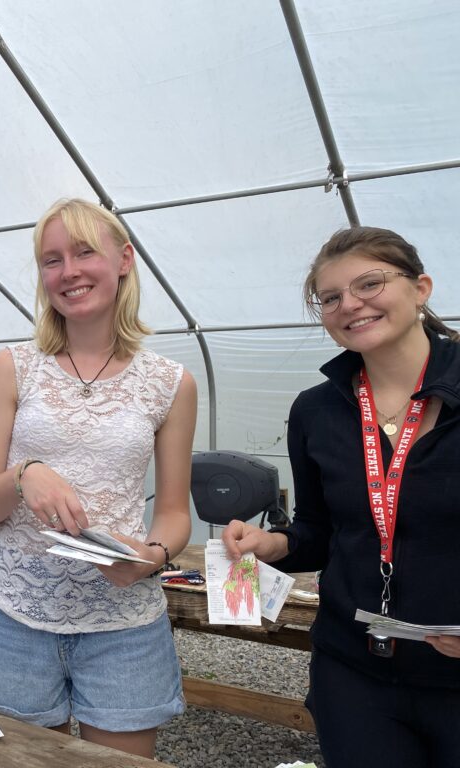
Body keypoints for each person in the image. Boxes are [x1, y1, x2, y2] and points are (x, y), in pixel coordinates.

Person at [0, 199, 197, 758]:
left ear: (123, 260)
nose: (68, 271)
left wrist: (154, 555)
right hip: (19, 613)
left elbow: (174, 513)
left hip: (124, 623)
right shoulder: (12, 367)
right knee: (17, 760)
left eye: (84, 252)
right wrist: (24, 474)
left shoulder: (170, 382)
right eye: (51, 260)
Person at [222, 226, 460, 767]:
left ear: (420, 287)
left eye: (369, 283)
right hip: (355, 673)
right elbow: (321, 532)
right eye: (330, 298)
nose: (349, 304)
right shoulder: (316, 410)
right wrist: (274, 543)